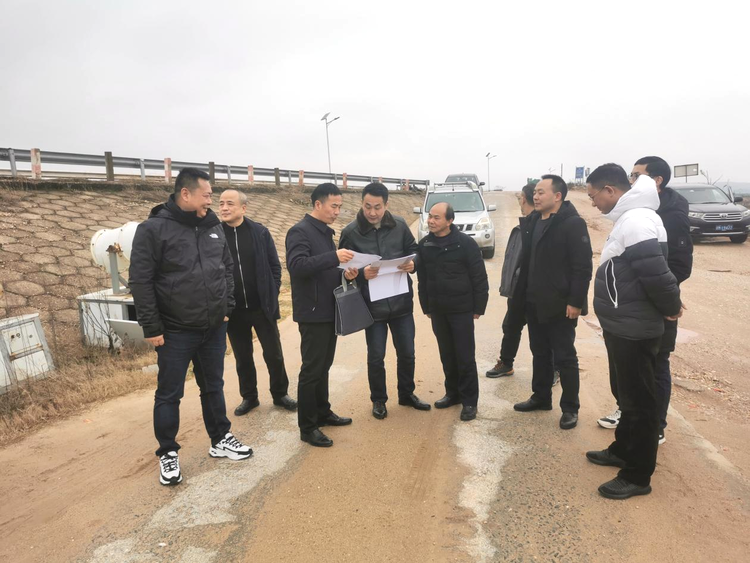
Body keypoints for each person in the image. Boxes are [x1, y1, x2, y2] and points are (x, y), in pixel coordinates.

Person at [129, 168, 253, 487]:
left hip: (213, 327)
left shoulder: (212, 226)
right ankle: (168, 452)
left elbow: (225, 268)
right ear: (185, 194)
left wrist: (226, 308)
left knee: (213, 385)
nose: (212, 201)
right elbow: (140, 281)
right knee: (170, 393)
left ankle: (220, 438)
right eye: (207, 195)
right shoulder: (153, 230)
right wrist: (151, 326)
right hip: (175, 330)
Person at [585, 163, 682, 499]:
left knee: (640, 402)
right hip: (623, 323)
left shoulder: (637, 220)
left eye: (593, 195)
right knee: (626, 395)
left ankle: (638, 475)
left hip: (636, 328)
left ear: (610, 190)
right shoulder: (630, 218)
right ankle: (622, 449)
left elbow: (656, 273)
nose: (593, 202)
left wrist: (671, 307)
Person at [597, 157, 692, 445]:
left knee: (653, 371)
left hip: (651, 307)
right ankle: (628, 425)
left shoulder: (661, 215)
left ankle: (653, 429)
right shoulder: (633, 213)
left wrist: (666, 301)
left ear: (656, 180)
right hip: (632, 309)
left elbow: (670, 266)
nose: (632, 181)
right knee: (630, 378)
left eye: (636, 175)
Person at [339, 183, 431, 419]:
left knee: (407, 353)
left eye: (377, 207)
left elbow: (415, 250)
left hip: (401, 303)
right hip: (373, 308)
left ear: (386, 205)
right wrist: (361, 274)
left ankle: (407, 394)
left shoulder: (399, 225)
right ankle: (378, 400)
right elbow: (342, 268)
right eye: (368, 206)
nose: (372, 212)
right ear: (361, 203)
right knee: (376, 356)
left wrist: (413, 264)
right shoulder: (351, 232)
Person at [512, 175, 593, 430]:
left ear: (557, 196)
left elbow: (582, 267)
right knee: (540, 353)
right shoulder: (534, 220)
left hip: (560, 304)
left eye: (541, 192)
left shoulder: (572, 224)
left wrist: (575, 301)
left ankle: (570, 408)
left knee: (565, 358)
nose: (535, 197)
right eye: (535, 192)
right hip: (534, 301)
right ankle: (541, 397)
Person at [286, 183, 357, 447]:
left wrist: (345, 273)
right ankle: (307, 427)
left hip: (329, 309)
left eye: (340, 206)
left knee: (324, 366)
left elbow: (325, 269)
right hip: (312, 312)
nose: (337, 211)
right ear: (318, 204)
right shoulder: (300, 231)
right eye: (333, 206)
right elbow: (297, 266)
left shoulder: (325, 233)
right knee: (311, 370)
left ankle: (323, 412)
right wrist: (334, 257)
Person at [218, 189, 297, 416]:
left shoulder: (260, 232)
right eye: (221, 203)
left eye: (230, 203)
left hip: (262, 307)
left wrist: (272, 291)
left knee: (273, 354)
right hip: (234, 309)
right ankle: (249, 397)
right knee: (242, 357)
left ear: (243, 208)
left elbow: (274, 266)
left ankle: (280, 394)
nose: (224, 208)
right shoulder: (215, 235)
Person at [416, 202, 489, 421]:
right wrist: (426, 306)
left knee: (465, 356)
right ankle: (453, 394)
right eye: (430, 216)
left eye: (436, 217)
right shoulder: (425, 244)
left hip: (461, 309)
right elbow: (423, 279)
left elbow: (479, 276)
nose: (431, 221)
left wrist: (479, 306)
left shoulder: (465, 244)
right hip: (438, 309)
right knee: (447, 354)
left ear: (449, 221)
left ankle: (469, 402)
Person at [487, 183, 558, 386]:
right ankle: (506, 363)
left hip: (535, 292)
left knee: (544, 335)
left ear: (523, 199)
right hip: (518, 290)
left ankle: (554, 370)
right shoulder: (523, 225)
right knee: (511, 326)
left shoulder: (541, 226)